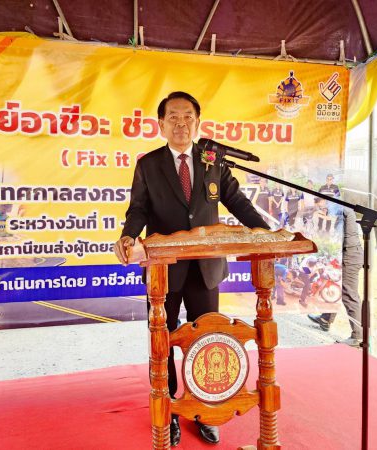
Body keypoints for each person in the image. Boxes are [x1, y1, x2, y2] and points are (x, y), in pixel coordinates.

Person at [113, 91, 269, 447]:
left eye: (188, 117)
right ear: (161, 124)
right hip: (164, 271)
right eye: (173, 117)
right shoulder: (148, 164)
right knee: (163, 342)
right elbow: (138, 209)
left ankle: (205, 409)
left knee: (207, 342)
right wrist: (128, 235)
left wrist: (263, 232)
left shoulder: (212, 160)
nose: (181, 123)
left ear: (198, 123)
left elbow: (236, 200)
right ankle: (168, 410)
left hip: (205, 268)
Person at [308, 208, 363, 347]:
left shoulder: (340, 209)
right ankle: (325, 319)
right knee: (332, 284)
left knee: (349, 295)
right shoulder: (340, 208)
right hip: (345, 253)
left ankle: (358, 337)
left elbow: (330, 229)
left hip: (349, 255)